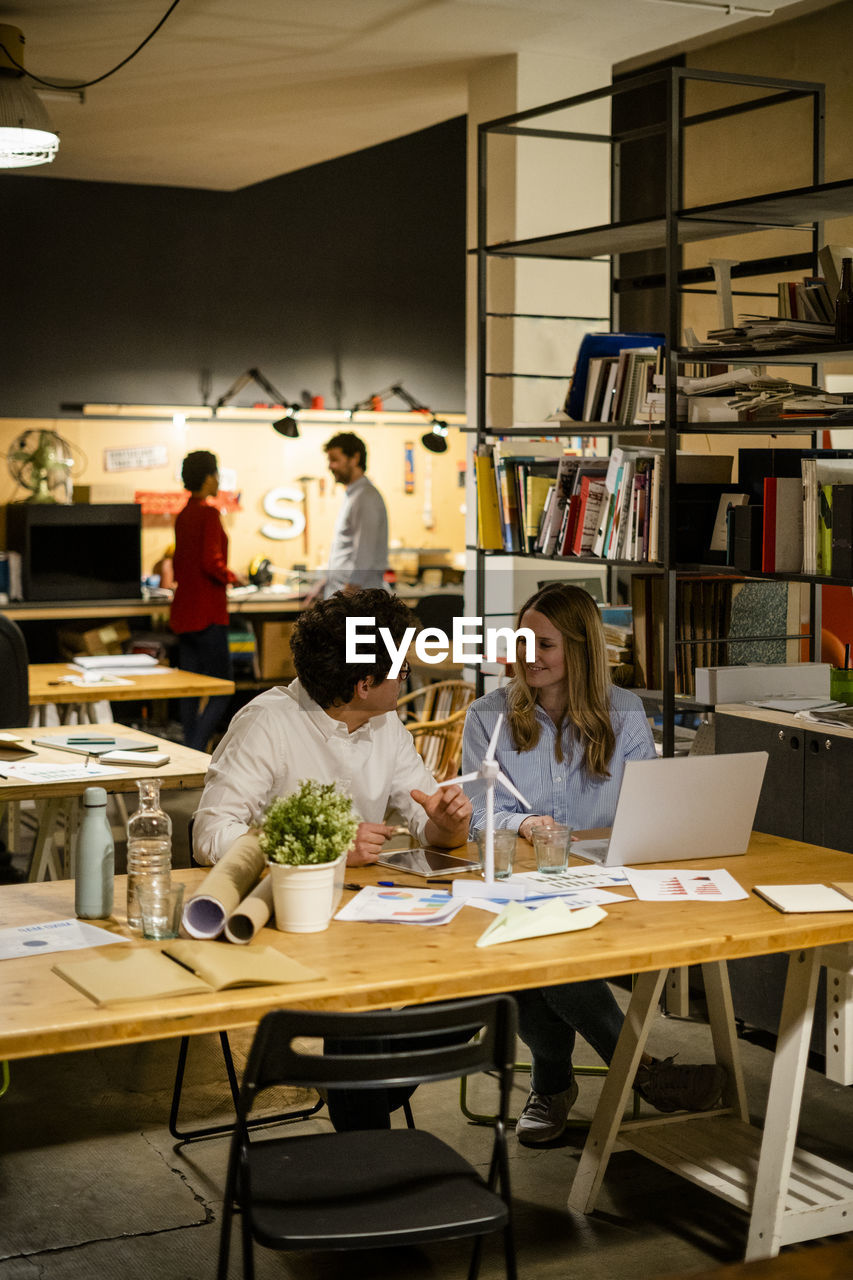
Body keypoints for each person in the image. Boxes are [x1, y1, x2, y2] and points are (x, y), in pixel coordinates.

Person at [461, 583, 727, 1144]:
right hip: (527, 885)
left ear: (580, 650)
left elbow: (646, 804)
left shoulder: (624, 712)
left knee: (538, 954)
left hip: (610, 883)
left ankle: (552, 1083)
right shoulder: (488, 717)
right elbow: (478, 820)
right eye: (522, 640)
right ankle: (641, 1070)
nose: (527, 655)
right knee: (539, 946)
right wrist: (525, 824)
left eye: (545, 645)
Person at [193, 589, 471, 866]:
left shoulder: (385, 723)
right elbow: (210, 837)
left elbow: (427, 823)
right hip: (273, 898)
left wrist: (447, 826)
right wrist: (328, 844)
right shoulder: (265, 724)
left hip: (359, 897)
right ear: (364, 685)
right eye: (402, 668)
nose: (404, 677)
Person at [170, 450, 246, 752]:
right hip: (208, 614)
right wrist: (233, 576)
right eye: (216, 474)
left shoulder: (184, 513)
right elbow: (211, 563)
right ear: (208, 477)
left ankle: (188, 747)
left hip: (184, 614)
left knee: (190, 687)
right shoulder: (209, 513)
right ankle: (197, 746)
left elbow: (181, 563)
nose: (218, 480)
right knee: (223, 687)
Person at [312, 432, 388, 600]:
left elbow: (364, 553)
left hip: (355, 600)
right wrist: (326, 582)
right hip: (348, 597)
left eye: (335, 460)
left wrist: (345, 599)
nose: (330, 466)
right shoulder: (354, 495)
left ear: (354, 458)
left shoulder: (365, 497)